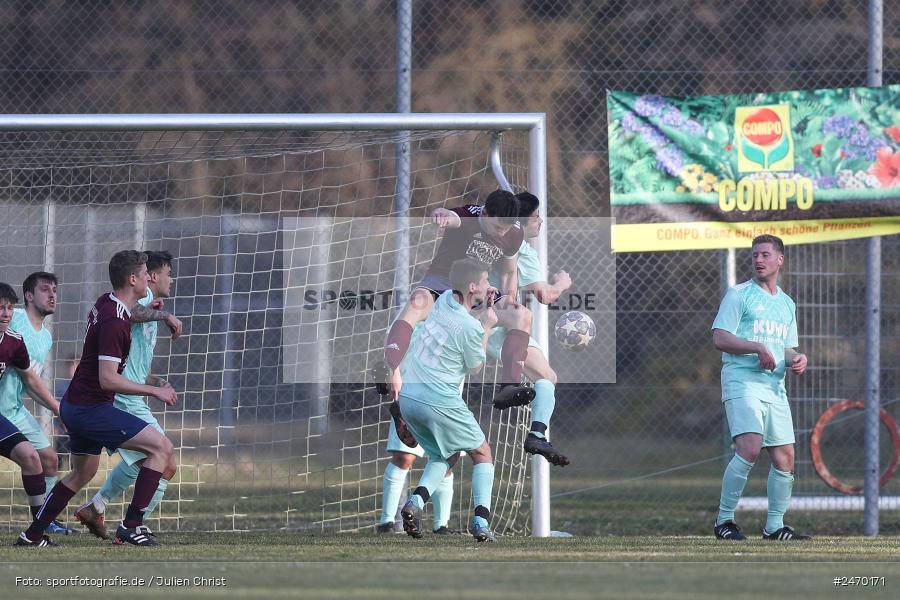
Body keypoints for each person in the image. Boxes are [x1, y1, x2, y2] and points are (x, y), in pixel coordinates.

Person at [16, 250, 178, 547]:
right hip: (90, 408)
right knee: (162, 448)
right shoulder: (115, 323)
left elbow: (130, 314)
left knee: (82, 473)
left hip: (76, 405)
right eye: (145, 275)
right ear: (133, 279)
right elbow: (108, 378)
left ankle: (32, 534)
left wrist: (157, 311)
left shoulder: (108, 302)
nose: (149, 278)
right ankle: (132, 526)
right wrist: (155, 390)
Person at [372, 189, 535, 411]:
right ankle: (389, 366)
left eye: (506, 229)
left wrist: (508, 299)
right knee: (416, 303)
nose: (501, 233)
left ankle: (509, 387)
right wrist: (441, 215)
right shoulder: (468, 217)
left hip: (477, 290)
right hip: (443, 283)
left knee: (522, 314)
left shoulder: (513, 233)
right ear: (485, 214)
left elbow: (508, 272)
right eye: (498, 227)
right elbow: (450, 216)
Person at [74, 250, 182, 540]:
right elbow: (130, 313)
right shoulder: (140, 299)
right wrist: (164, 315)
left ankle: (101, 507)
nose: (171, 278)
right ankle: (132, 526)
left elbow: (128, 360)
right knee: (164, 458)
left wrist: (154, 379)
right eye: (167, 272)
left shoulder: (147, 302)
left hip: (130, 392)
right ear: (151, 276)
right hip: (123, 397)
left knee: (148, 459)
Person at [711, 234, 811, 541]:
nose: (758, 260)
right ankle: (724, 521)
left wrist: (798, 358)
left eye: (765, 255)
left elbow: (786, 348)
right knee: (750, 447)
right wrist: (756, 347)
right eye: (755, 255)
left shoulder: (786, 304)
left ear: (779, 260)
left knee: (785, 458)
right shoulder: (739, 294)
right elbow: (720, 338)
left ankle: (775, 527)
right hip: (742, 382)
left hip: (774, 388)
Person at [395, 258, 500, 542]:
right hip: (438, 399)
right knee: (482, 453)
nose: (490, 286)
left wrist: (481, 313)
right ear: (472, 287)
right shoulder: (472, 326)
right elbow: (475, 364)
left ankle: (415, 503)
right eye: (486, 281)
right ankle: (481, 522)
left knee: (447, 454)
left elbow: (461, 325)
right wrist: (488, 324)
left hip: (409, 397)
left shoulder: (441, 302)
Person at [488, 192, 571, 466]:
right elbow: (545, 295)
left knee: (548, 376)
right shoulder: (522, 248)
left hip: (502, 322)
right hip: (494, 323)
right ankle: (514, 395)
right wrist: (561, 283)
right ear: (523, 222)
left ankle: (537, 435)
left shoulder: (496, 238)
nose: (541, 222)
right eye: (536, 217)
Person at [0, 272, 75, 534]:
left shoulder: (45, 338)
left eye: (55, 289)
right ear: (29, 296)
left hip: (13, 409)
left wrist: (59, 409)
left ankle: (47, 520)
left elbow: (30, 381)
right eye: (45, 289)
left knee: (49, 459)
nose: (52, 294)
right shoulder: (13, 317)